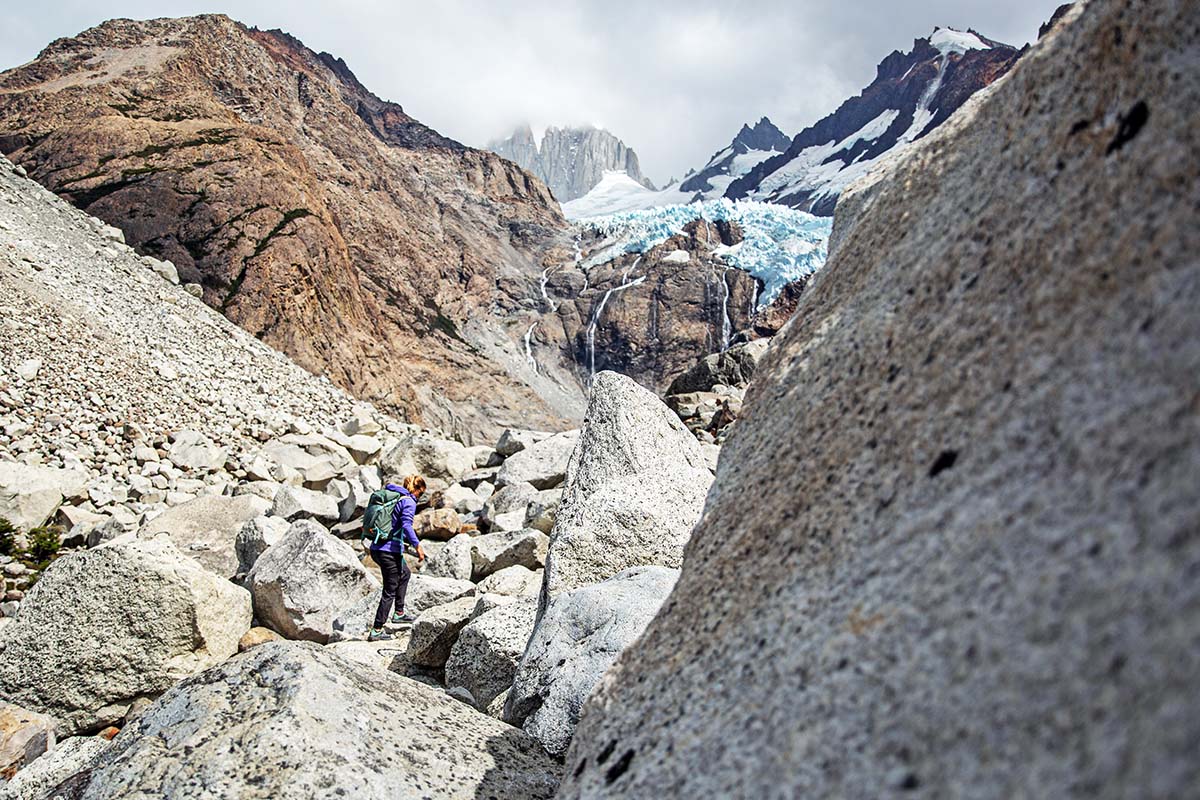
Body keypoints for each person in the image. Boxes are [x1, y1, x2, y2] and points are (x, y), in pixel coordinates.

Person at [368, 475, 427, 642]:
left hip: (379, 548)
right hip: (388, 551)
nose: (419, 497)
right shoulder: (408, 501)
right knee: (390, 589)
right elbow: (407, 525)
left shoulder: (395, 496)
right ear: (416, 490)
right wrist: (417, 545)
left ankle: (399, 613)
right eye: (420, 493)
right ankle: (377, 630)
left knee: (405, 574)